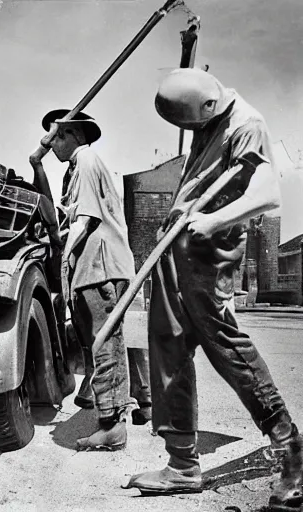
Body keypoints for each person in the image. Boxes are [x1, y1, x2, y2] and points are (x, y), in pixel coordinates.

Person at [125, 68, 302, 510]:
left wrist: (214, 221)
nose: (192, 132)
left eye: (193, 123)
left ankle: (293, 456)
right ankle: (182, 464)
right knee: (167, 348)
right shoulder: (208, 117)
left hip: (209, 253)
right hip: (175, 250)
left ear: (207, 107)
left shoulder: (247, 124)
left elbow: (267, 194)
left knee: (230, 350)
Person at [29, 109, 151, 450]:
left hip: (99, 267)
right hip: (98, 267)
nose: (53, 144)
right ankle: (138, 406)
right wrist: (37, 167)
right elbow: (56, 217)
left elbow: (82, 222)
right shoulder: (76, 169)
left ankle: (112, 425)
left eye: (59, 136)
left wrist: (64, 264)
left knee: (103, 342)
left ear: (76, 136)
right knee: (109, 340)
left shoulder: (85, 160)